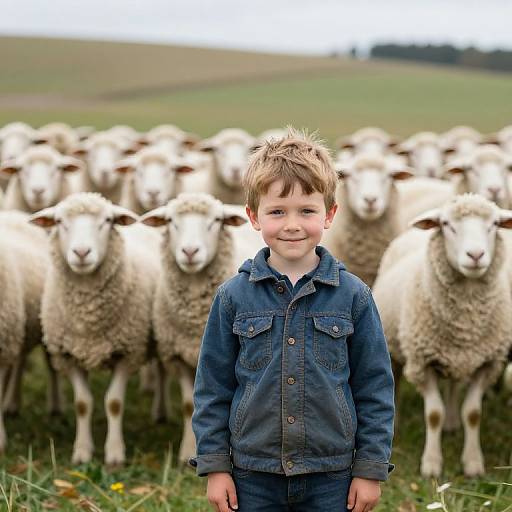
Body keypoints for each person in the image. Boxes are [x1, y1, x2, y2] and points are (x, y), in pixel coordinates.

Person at [191, 128, 395, 512]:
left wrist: (370, 469)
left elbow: (375, 387)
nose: (292, 224)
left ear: (329, 214)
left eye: (307, 211)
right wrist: (215, 466)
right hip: (253, 473)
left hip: (331, 474)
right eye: (277, 212)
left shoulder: (354, 296)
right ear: (253, 216)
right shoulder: (233, 297)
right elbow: (213, 387)